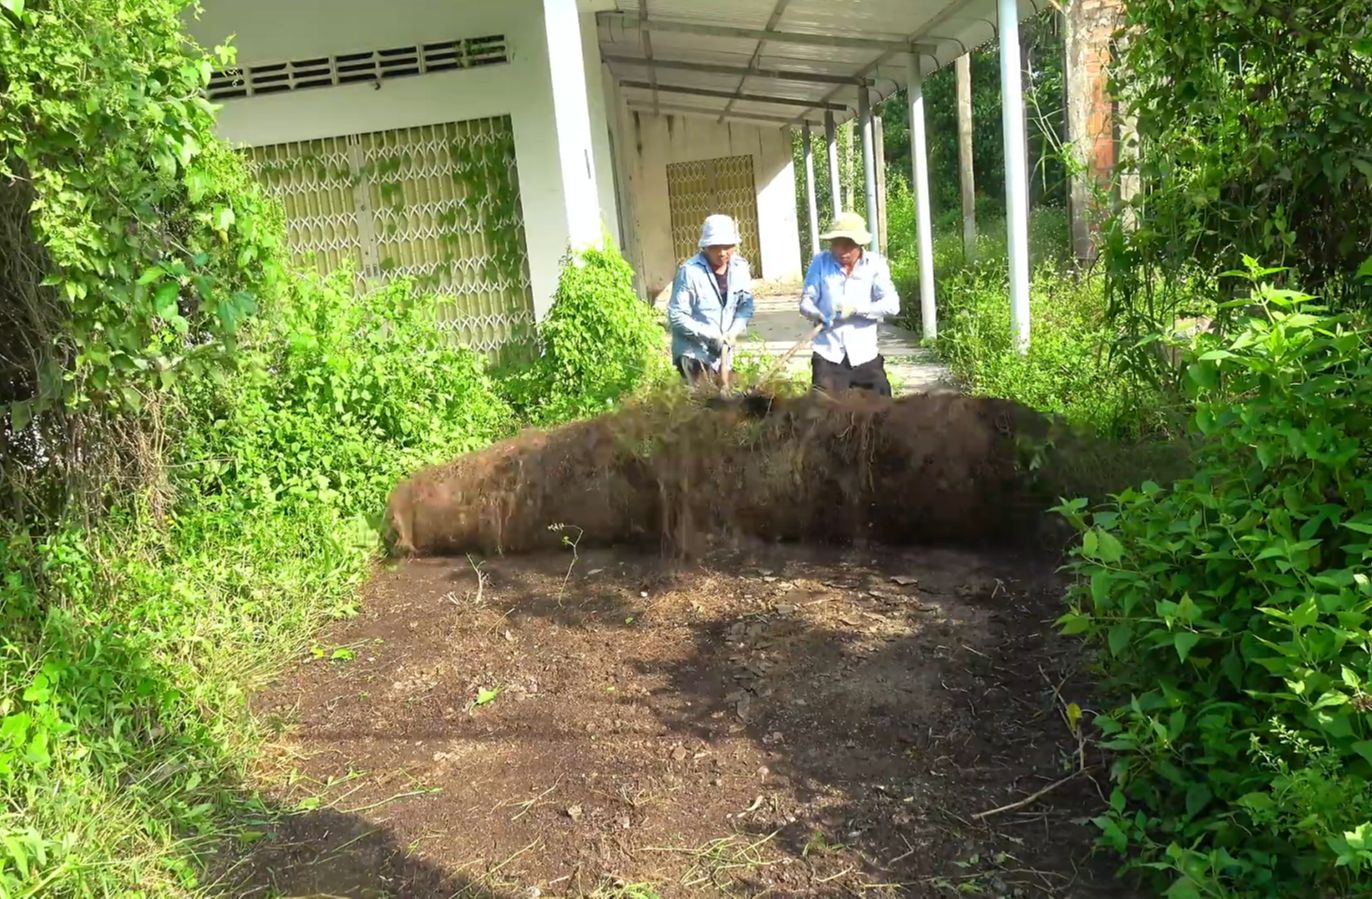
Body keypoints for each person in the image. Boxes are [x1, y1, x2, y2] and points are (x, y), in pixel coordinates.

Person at [798, 211, 900, 396]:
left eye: (848, 245)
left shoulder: (874, 264)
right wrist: (816, 314)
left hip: (864, 354)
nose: (841, 251)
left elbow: (892, 304)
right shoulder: (820, 262)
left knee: (881, 409)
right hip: (828, 353)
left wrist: (857, 309)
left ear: (859, 244)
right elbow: (806, 302)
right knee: (822, 413)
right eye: (836, 244)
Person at [667, 214, 755, 387]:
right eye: (715, 247)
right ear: (705, 247)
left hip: (722, 355)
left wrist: (733, 331)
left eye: (727, 247)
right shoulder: (690, 272)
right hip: (694, 352)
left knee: (728, 399)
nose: (722, 253)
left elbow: (746, 305)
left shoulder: (740, 268)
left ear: (734, 245)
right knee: (704, 402)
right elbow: (676, 316)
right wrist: (712, 335)